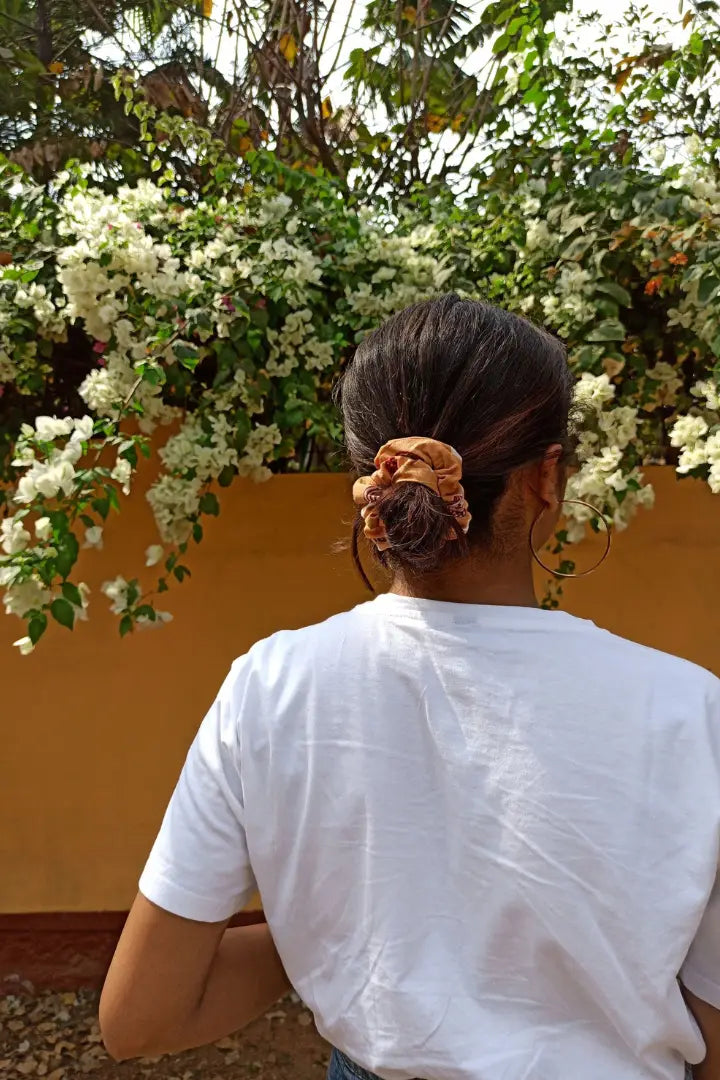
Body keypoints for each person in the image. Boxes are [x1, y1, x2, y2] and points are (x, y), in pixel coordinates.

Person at [100, 295, 720, 1080]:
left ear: (375, 488)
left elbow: (139, 1018)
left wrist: (326, 930)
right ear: (549, 479)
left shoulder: (272, 687)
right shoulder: (690, 713)